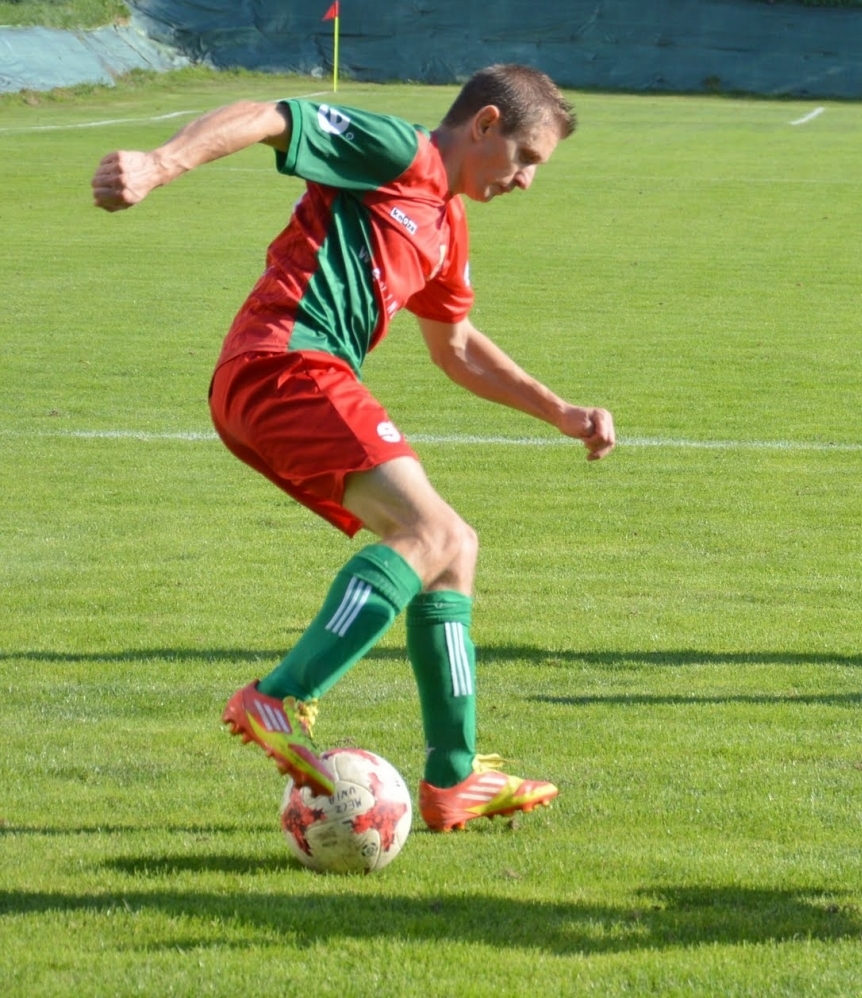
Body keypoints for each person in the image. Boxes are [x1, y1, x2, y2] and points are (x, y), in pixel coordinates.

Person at [91, 64, 617, 830]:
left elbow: (457, 348)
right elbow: (271, 114)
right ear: (485, 125)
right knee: (429, 532)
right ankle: (278, 696)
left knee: (453, 549)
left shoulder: (446, 223)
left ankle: (452, 776)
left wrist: (560, 412)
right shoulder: (400, 153)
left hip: (291, 378)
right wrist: (158, 164)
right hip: (283, 362)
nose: (527, 181)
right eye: (526, 158)